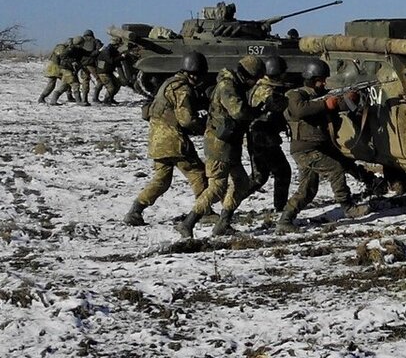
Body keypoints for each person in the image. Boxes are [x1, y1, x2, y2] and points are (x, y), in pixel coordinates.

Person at [275, 58, 373, 232]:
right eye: (321, 80)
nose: (324, 83)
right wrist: (326, 103)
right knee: (335, 169)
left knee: (308, 189)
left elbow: (338, 105)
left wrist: (351, 98)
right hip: (305, 148)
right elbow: (300, 110)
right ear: (313, 79)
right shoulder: (295, 95)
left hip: (317, 147)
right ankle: (348, 206)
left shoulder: (322, 95)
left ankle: (285, 220)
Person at [177, 55, 265, 238]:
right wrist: (258, 111)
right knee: (217, 186)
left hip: (230, 143)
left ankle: (223, 223)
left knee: (241, 184)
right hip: (218, 144)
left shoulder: (236, 85)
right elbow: (238, 111)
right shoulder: (228, 86)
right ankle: (188, 222)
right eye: (255, 79)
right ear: (247, 75)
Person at [124, 51, 210, 226]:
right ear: (195, 73)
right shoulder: (182, 89)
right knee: (198, 173)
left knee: (161, 181)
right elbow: (186, 120)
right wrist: (205, 127)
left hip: (157, 139)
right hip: (173, 141)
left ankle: (135, 211)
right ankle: (205, 212)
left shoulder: (169, 83)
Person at [246, 54, 293, 218]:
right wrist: (291, 97)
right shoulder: (264, 89)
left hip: (261, 136)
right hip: (262, 137)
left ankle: (230, 203)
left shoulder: (264, 86)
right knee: (283, 171)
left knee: (260, 177)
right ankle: (281, 208)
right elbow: (276, 104)